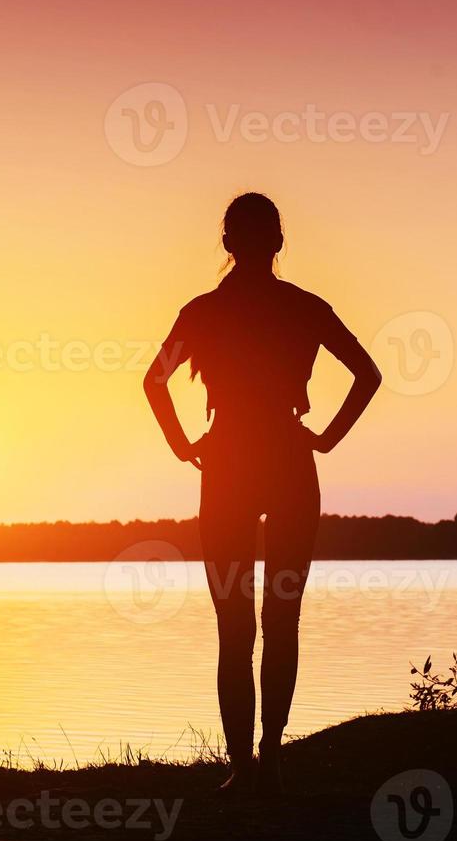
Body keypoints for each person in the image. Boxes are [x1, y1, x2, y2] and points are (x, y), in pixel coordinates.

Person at [143, 193, 382, 794]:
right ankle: (266, 759)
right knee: (281, 619)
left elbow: (154, 381)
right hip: (284, 458)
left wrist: (181, 444)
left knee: (236, 625)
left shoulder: (202, 311)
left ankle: (243, 765)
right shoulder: (303, 307)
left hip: (225, 460)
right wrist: (325, 438)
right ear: (276, 242)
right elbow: (368, 374)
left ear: (230, 244)